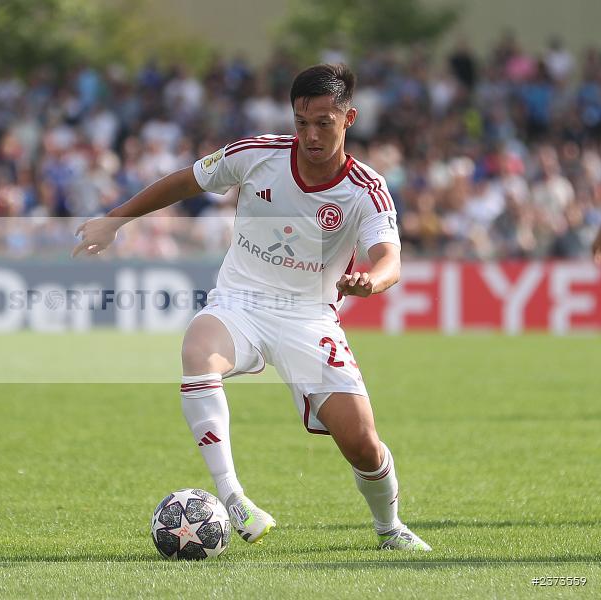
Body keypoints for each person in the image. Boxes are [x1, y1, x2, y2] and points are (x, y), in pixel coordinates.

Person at [73, 64, 431, 551]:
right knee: (198, 349)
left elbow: (390, 256)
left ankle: (390, 528)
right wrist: (116, 219)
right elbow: (186, 181)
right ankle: (233, 497)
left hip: (308, 317)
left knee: (363, 446)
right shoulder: (256, 155)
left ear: (350, 119)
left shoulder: (364, 187)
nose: (310, 134)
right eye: (301, 122)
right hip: (240, 301)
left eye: (323, 122)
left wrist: (371, 281)